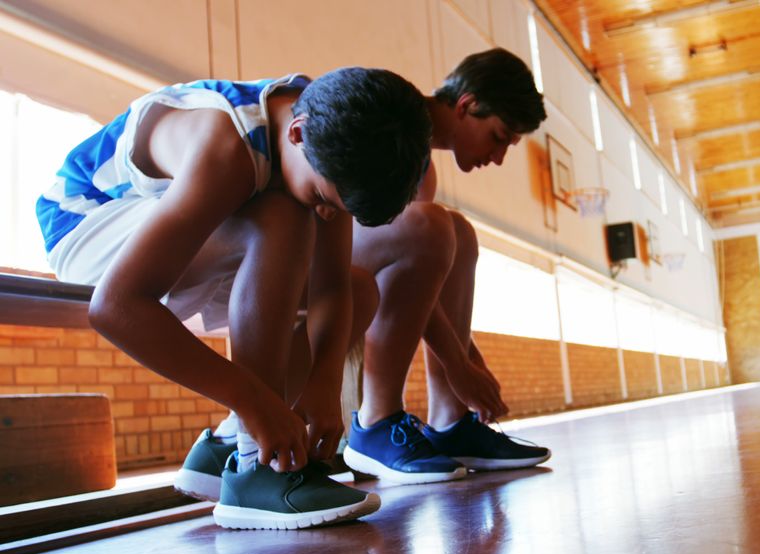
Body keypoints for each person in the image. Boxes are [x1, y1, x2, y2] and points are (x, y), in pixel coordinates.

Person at [36, 68, 432, 528]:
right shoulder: (227, 145)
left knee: (359, 289)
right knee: (284, 216)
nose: (328, 213)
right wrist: (254, 401)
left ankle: (222, 448)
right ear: (298, 134)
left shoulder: (331, 136)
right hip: (86, 224)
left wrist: (324, 381)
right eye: (325, 197)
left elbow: (331, 289)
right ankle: (256, 467)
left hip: (188, 235)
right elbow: (116, 306)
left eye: (339, 211)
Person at [342, 48, 551, 483]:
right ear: (467, 105)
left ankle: (450, 423)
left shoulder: (423, 167)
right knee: (434, 226)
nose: (497, 158)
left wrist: (469, 363)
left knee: (458, 232)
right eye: (498, 137)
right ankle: (375, 420)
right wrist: (458, 366)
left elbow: (418, 285)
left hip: (355, 263)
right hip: (297, 254)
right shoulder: (390, 117)